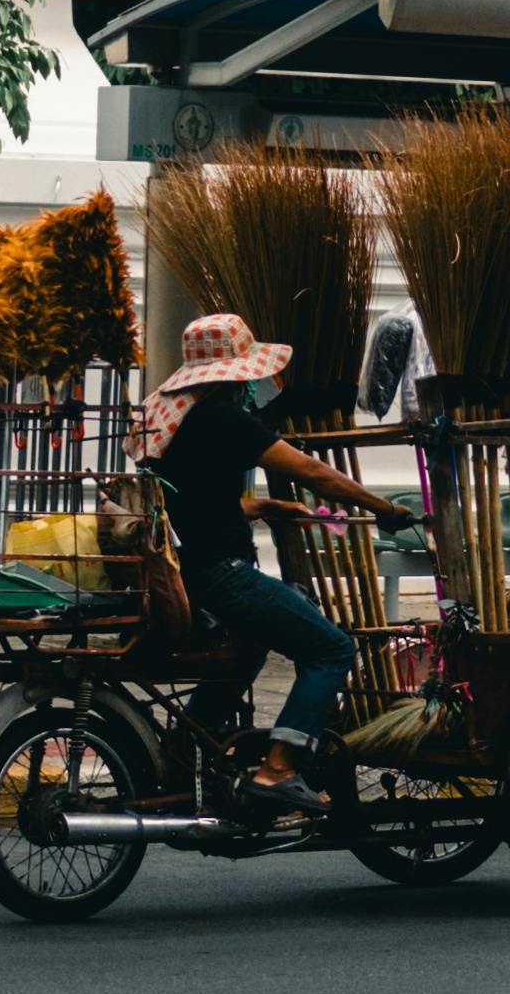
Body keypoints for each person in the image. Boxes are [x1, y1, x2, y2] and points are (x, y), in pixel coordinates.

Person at [138, 305, 365, 777]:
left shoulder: (184, 422)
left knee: (250, 645)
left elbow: (199, 503)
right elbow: (309, 469)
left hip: (194, 570)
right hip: (226, 574)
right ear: (235, 375)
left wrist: (267, 508)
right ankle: (279, 767)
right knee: (332, 650)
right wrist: (381, 507)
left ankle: (187, 749)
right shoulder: (225, 418)